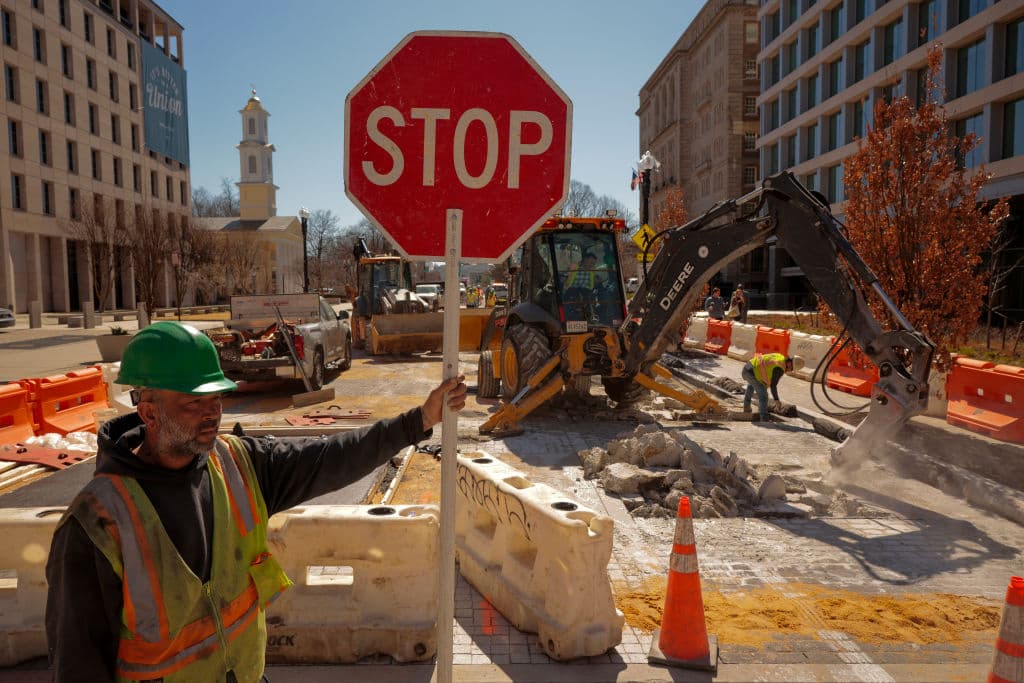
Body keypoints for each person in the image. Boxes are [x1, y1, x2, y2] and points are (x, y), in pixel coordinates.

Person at [45, 321, 468, 682]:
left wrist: (420, 420)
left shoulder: (237, 464)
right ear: (149, 412)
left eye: (217, 399)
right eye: (195, 402)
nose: (213, 414)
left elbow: (331, 458)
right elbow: (78, 663)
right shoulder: (97, 523)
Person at [742, 352, 804, 422]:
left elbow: (766, 365)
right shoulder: (780, 368)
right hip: (751, 373)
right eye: (792, 369)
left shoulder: (780, 357)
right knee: (764, 396)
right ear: (790, 364)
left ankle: (746, 408)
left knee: (751, 386)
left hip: (748, 368)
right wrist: (776, 400)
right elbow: (773, 385)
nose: (790, 371)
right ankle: (764, 419)